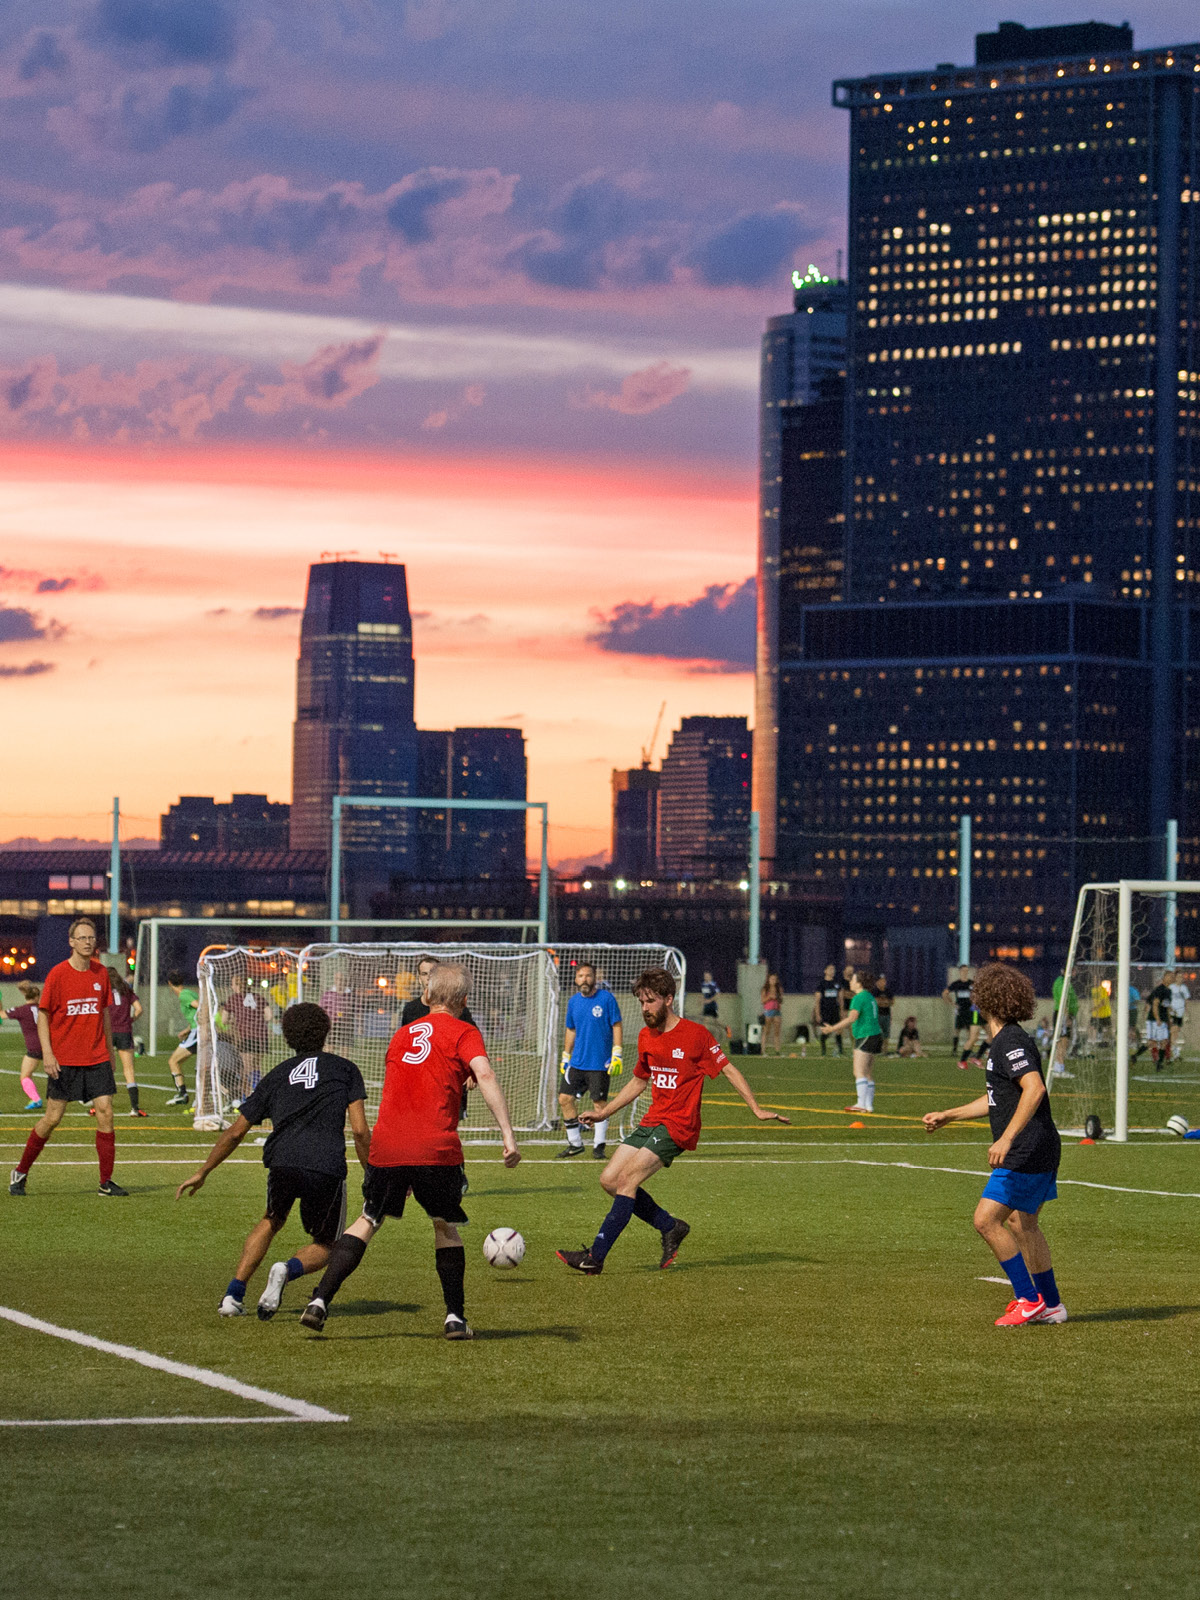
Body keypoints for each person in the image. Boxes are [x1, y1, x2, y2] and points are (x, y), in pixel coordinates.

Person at [299, 963, 521, 1338]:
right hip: (433, 1146)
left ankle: (319, 1300)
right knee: (444, 1225)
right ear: (464, 1001)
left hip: (387, 1146)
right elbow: (484, 1074)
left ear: (428, 996)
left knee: (368, 1220)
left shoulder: (401, 1035)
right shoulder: (464, 1030)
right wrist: (508, 1136)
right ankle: (455, 1318)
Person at [555, 966, 789, 1275]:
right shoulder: (645, 1036)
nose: (644, 1008)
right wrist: (603, 1113)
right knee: (609, 1180)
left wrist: (756, 1108)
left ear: (668, 999)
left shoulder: (695, 1036)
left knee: (628, 1181)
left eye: (650, 1001)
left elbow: (728, 1069)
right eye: (641, 1002)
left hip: (679, 1125)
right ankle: (670, 1226)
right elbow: (639, 1082)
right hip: (654, 1120)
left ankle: (595, 1257)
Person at [176, 1002, 370, 1319]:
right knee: (327, 1245)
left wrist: (204, 1171)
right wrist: (372, 1172)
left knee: (271, 1220)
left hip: (281, 1160)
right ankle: (286, 1270)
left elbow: (235, 1132)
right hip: (325, 1165)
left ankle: (232, 1296)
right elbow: (361, 1131)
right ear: (326, 1031)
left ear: (288, 1037)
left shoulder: (276, 1076)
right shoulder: (345, 1069)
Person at [923, 962, 1066, 1327]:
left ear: (985, 1000)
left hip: (1027, 1148)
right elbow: (997, 1100)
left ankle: (1028, 1298)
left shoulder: (1010, 1041)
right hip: (1039, 1145)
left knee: (986, 1221)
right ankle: (1051, 1304)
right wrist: (949, 1115)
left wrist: (1006, 1137)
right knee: (1022, 1225)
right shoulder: (1004, 1040)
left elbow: (1034, 1089)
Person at [9, 917, 126, 1198]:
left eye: (91, 937)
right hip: (65, 1060)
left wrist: (109, 1052)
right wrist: (48, 1054)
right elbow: (44, 1017)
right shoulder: (58, 975)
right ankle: (21, 1171)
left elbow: (105, 1016)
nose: (88, 942)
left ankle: (105, 1182)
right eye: (82, 938)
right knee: (52, 1118)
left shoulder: (100, 974)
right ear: (71, 942)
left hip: (96, 1057)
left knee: (106, 1112)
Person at [557, 962, 622, 1160]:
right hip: (577, 1063)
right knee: (564, 1099)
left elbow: (617, 1025)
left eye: (588, 975)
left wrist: (616, 1053)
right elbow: (571, 1029)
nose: (584, 979)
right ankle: (575, 1143)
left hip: (599, 1063)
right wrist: (566, 1055)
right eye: (580, 976)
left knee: (599, 1104)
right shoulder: (573, 1002)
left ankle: (599, 1146)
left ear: (595, 978)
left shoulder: (606, 999)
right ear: (575, 979)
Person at [403, 953, 478, 1121]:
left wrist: (471, 1071)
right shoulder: (410, 1010)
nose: (428, 977)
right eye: (424, 973)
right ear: (419, 977)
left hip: (450, 1081)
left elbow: (472, 1040)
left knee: (448, 1129)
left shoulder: (457, 1008)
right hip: (421, 1082)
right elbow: (404, 1047)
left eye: (432, 973)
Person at [821, 969, 884, 1114]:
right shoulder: (869, 996)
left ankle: (861, 1104)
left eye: (853, 980)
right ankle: (868, 1105)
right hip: (875, 1035)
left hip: (865, 1035)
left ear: (859, 983)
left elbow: (852, 1018)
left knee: (859, 1071)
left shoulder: (859, 997)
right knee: (868, 1073)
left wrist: (832, 1028)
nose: (850, 982)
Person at [107, 967, 145, 1116]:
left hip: (108, 1032)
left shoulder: (104, 991)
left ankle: (102, 1107)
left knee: (108, 1070)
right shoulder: (126, 990)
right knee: (129, 1070)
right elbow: (139, 1009)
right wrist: (131, 1020)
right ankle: (135, 1108)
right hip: (124, 1031)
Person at [5, 980, 44, 1109]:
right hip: (49, 1046)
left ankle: (36, 1099)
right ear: (37, 997)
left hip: (33, 1047)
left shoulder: (21, 1010)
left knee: (25, 1076)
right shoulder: (44, 1009)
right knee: (59, 1074)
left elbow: (2, 1015)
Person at [166, 969, 198, 1107]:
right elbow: (195, 1015)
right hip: (197, 1031)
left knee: (173, 1061)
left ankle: (182, 1094)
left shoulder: (184, 995)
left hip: (199, 1033)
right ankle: (183, 1094)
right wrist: (186, 1030)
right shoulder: (189, 992)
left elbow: (200, 1007)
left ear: (169, 983)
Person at [943, 967, 975, 1058]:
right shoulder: (956, 984)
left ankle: (969, 1050)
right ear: (960, 972)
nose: (965, 972)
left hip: (969, 1010)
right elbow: (945, 993)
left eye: (966, 971)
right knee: (957, 1030)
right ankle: (954, 1050)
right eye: (963, 971)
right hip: (960, 1010)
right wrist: (951, 1003)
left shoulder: (971, 983)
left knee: (970, 1031)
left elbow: (978, 993)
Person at [814, 965, 843, 1055]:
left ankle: (840, 1050)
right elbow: (817, 1000)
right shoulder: (821, 984)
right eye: (830, 969)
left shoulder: (837, 984)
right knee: (826, 1031)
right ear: (825, 971)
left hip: (835, 1010)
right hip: (825, 1011)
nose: (832, 971)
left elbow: (840, 999)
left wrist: (841, 1011)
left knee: (838, 1030)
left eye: (833, 969)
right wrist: (817, 1014)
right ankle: (823, 1051)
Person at [1169, 970, 1190, 1061]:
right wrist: (1170, 1010)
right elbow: (1167, 1000)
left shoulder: (1184, 988)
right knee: (1173, 1033)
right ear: (1175, 978)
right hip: (1172, 1014)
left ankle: (1174, 1053)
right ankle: (1175, 1054)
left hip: (1180, 1015)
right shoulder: (1171, 987)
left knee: (1175, 1034)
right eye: (1178, 977)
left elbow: (1186, 1001)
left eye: (1182, 977)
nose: (1180, 979)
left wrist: (1186, 1013)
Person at [760, 972, 783, 1053]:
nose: (773, 981)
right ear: (768, 980)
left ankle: (777, 1050)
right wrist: (769, 997)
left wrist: (777, 997)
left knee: (777, 1031)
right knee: (766, 1031)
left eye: (775, 979)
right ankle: (763, 1050)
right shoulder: (765, 989)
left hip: (777, 1011)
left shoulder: (778, 989)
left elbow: (781, 1000)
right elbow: (762, 1001)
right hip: (768, 1011)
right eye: (772, 979)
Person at [875, 974, 894, 1056]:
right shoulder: (874, 991)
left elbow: (892, 1002)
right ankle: (877, 1049)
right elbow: (876, 1003)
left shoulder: (888, 991)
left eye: (884, 980)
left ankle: (885, 1050)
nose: (883, 982)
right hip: (877, 1015)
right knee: (877, 1033)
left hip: (887, 1015)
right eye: (881, 981)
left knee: (886, 1034)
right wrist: (885, 1002)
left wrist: (883, 1003)